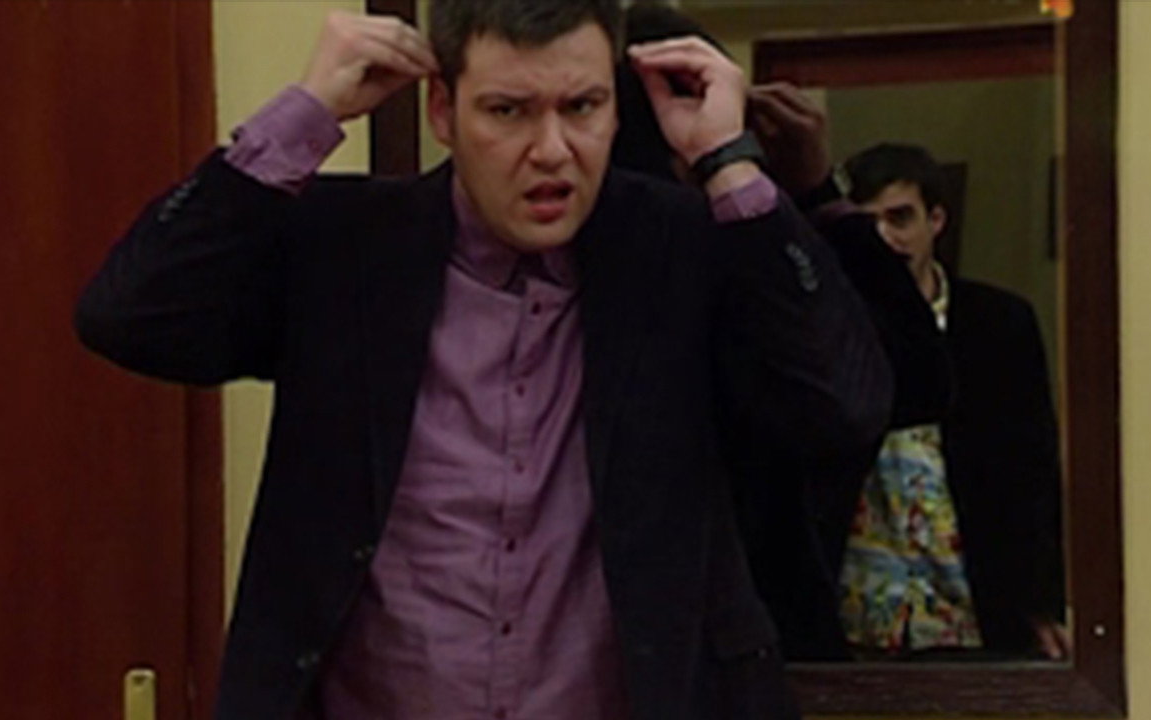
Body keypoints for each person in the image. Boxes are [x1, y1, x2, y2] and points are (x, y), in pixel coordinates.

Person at [75, 1, 892, 718]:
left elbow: (844, 407)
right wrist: (305, 113)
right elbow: (129, 315)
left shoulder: (679, 249)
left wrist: (729, 163)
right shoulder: (346, 247)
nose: (552, 149)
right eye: (508, 111)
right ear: (442, 108)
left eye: (582, 106)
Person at [612, 4, 951, 661]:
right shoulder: (714, 269)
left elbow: (914, 384)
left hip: (768, 642)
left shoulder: (757, 250)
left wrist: (814, 196)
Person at [835, 143, 1069, 660]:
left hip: (973, 598)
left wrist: (1041, 600)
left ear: (935, 220)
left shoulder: (998, 322)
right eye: (869, 224)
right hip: (861, 605)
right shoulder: (834, 328)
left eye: (901, 218)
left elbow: (1033, 464)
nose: (886, 237)